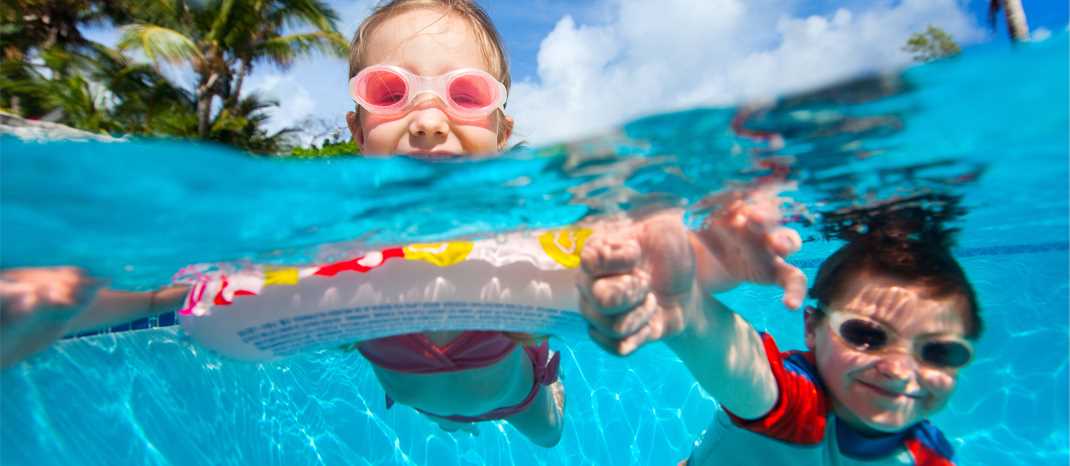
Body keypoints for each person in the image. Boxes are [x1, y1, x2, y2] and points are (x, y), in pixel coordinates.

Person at [0, 0, 565, 448]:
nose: (427, 119)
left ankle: (545, 384)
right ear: (357, 127)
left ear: (501, 132)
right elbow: (170, 289)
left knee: (549, 436)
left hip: (518, 398)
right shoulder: (333, 241)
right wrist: (71, 298)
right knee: (445, 419)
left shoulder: (519, 236)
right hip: (418, 395)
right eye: (390, 92)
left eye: (465, 94)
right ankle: (450, 421)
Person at [577, 187, 979, 465]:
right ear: (812, 328)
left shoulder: (931, 457)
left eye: (939, 351)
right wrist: (686, 310)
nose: (898, 369)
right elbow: (749, 374)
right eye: (866, 336)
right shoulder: (799, 408)